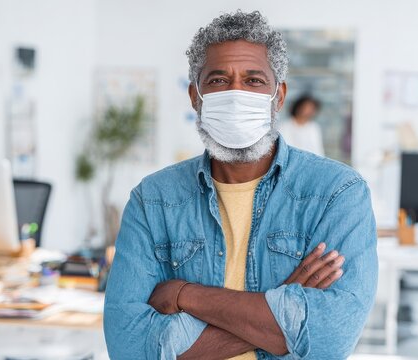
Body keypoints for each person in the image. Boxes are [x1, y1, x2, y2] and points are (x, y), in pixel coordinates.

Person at [104, 10, 377, 360]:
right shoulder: (153, 199)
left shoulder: (338, 193)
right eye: (218, 80)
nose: (235, 94)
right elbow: (128, 348)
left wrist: (186, 294)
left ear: (278, 96)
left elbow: (329, 338)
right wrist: (283, 310)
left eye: (253, 80)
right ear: (195, 96)